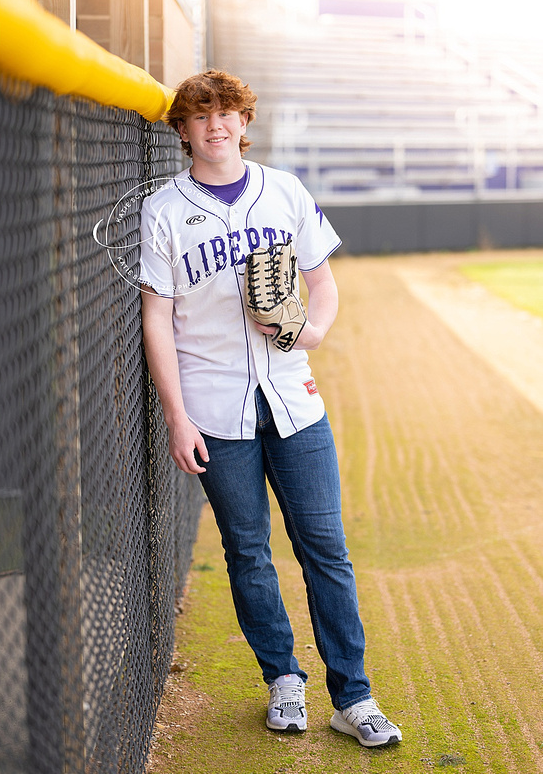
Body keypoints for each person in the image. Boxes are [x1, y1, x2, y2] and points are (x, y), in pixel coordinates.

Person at [138, 69, 402, 748]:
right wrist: (176, 416)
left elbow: (323, 283)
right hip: (214, 408)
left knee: (326, 549)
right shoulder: (164, 210)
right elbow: (157, 317)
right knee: (247, 551)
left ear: (243, 123)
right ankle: (283, 681)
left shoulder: (282, 190)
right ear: (182, 130)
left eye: (226, 113)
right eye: (200, 117)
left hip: (293, 398)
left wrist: (312, 330)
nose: (215, 126)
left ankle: (354, 696)